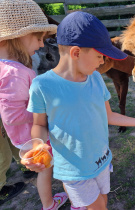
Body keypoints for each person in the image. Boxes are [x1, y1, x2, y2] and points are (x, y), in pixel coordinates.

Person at [23, 11, 135, 210]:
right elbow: (38, 124)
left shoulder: (96, 79)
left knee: (102, 201)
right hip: (74, 170)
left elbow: (108, 115)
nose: (102, 62)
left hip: (102, 160)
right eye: (100, 56)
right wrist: (37, 148)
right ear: (76, 53)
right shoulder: (42, 86)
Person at [0, 0, 68, 209]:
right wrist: (45, 110)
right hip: (33, 135)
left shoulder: (6, 68)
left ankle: (49, 204)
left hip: (23, 136)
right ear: (16, 38)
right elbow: (12, 116)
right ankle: (79, 200)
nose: (41, 44)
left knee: (45, 169)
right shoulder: (16, 74)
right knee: (63, 164)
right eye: (38, 38)